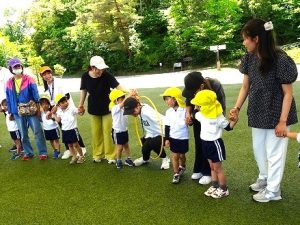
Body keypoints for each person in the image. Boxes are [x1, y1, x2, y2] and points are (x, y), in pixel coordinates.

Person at [229, 19, 298, 203]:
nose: (244, 43)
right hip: (258, 111)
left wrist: (283, 121)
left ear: (256, 38)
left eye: (245, 39)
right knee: (259, 149)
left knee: (274, 153)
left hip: (278, 113)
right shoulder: (249, 58)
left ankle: (273, 191)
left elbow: (288, 93)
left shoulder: (281, 60)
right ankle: (265, 178)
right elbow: (245, 86)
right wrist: (236, 108)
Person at [78, 56, 134, 163]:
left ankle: (110, 156)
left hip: (108, 108)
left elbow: (118, 86)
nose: (101, 71)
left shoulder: (107, 75)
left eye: (102, 69)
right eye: (99, 69)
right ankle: (98, 154)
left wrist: (129, 92)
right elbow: (83, 90)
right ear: (92, 67)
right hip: (93, 108)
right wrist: (81, 105)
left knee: (108, 132)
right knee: (96, 133)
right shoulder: (85, 76)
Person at [182, 71, 226, 185]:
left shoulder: (215, 85)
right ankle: (199, 168)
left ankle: (208, 173)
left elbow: (221, 106)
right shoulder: (192, 87)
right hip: (199, 116)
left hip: (212, 120)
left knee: (210, 145)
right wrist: (188, 115)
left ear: (201, 86)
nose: (192, 94)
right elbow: (189, 102)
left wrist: (216, 122)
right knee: (199, 142)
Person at [191, 90, 236, 198]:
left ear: (206, 106)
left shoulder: (218, 116)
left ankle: (224, 189)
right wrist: (196, 106)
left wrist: (234, 120)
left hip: (215, 144)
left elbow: (228, 127)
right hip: (205, 143)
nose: (198, 106)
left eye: (200, 104)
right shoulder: (202, 115)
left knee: (217, 168)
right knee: (211, 167)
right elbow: (194, 113)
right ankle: (215, 186)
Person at [39, 66, 86, 159]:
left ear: (51, 73)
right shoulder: (46, 85)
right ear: (42, 76)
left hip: (67, 108)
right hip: (59, 111)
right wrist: (50, 111)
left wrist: (56, 107)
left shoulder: (58, 82)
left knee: (72, 128)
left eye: (48, 73)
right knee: (64, 128)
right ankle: (69, 149)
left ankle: (82, 148)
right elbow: (50, 99)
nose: (47, 75)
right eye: (44, 74)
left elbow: (66, 95)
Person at [5, 58, 48, 160]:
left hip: (31, 109)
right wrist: (10, 112)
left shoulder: (29, 79)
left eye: (19, 66)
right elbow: (8, 98)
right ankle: (29, 153)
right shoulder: (9, 82)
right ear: (11, 69)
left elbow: (36, 93)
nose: (17, 68)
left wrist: (38, 108)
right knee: (23, 134)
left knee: (37, 131)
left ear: (22, 67)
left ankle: (43, 152)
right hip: (17, 112)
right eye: (15, 67)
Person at [123, 96, 170, 170]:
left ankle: (165, 159)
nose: (132, 114)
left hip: (165, 132)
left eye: (132, 111)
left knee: (154, 143)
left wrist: (167, 137)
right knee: (145, 146)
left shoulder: (147, 112)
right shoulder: (139, 108)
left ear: (138, 106)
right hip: (152, 133)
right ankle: (145, 159)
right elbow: (137, 102)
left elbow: (163, 122)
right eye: (130, 112)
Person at [161, 87, 189, 183]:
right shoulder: (168, 112)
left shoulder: (185, 109)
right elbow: (167, 126)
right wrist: (166, 139)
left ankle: (183, 166)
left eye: (167, 99)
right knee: (175, 156)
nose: (166, 102)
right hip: (173, 137)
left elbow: (190, 122)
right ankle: (176, 173)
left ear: (175, 98)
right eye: (165, 100)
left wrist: (190, 121)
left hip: (183, 137)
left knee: (182, 155)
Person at [52, 93, 84, 164]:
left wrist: (81, 110)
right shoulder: (59, 111)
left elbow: (79, 112)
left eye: (66, 101)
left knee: (76, 144)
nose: (66, 103)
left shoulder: (71, 108)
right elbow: (58, 120)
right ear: (59, 105)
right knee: (69, 145)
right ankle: (74, 156)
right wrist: (53, 115)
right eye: (63, 102)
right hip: (65, 131)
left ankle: (81, 156)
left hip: (73, 129)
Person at [109, 89, 134, 169]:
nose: (123, 99)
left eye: (124, 97)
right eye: (122, 98)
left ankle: (128, 159)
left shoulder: (123, 107)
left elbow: (129, 109)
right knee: (120, 147)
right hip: (117, 131)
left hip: (124, 130)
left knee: (126, 145)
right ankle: (118, 160)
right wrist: (129, 95)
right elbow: (123, 104)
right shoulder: (114, 108)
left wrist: (133, 97)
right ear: (116, 100)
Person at [1, 65, 17, 151]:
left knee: (15, 123)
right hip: (3, 104)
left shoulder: (6, 72)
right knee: (11, 124)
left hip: (10, 103)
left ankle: (20, 144)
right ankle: (17, 143)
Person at [39, 94, 61, 159]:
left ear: (49, 105)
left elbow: (56, 120)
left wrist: (51, 117)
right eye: (42, 104)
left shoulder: (52, 112)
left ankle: (58, 151)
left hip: (54, 128)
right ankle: (55, 150)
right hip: (46, 129)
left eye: (46, 103)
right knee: (51, 141)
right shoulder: (42, 113)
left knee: (56, 140)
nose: (44, 105)